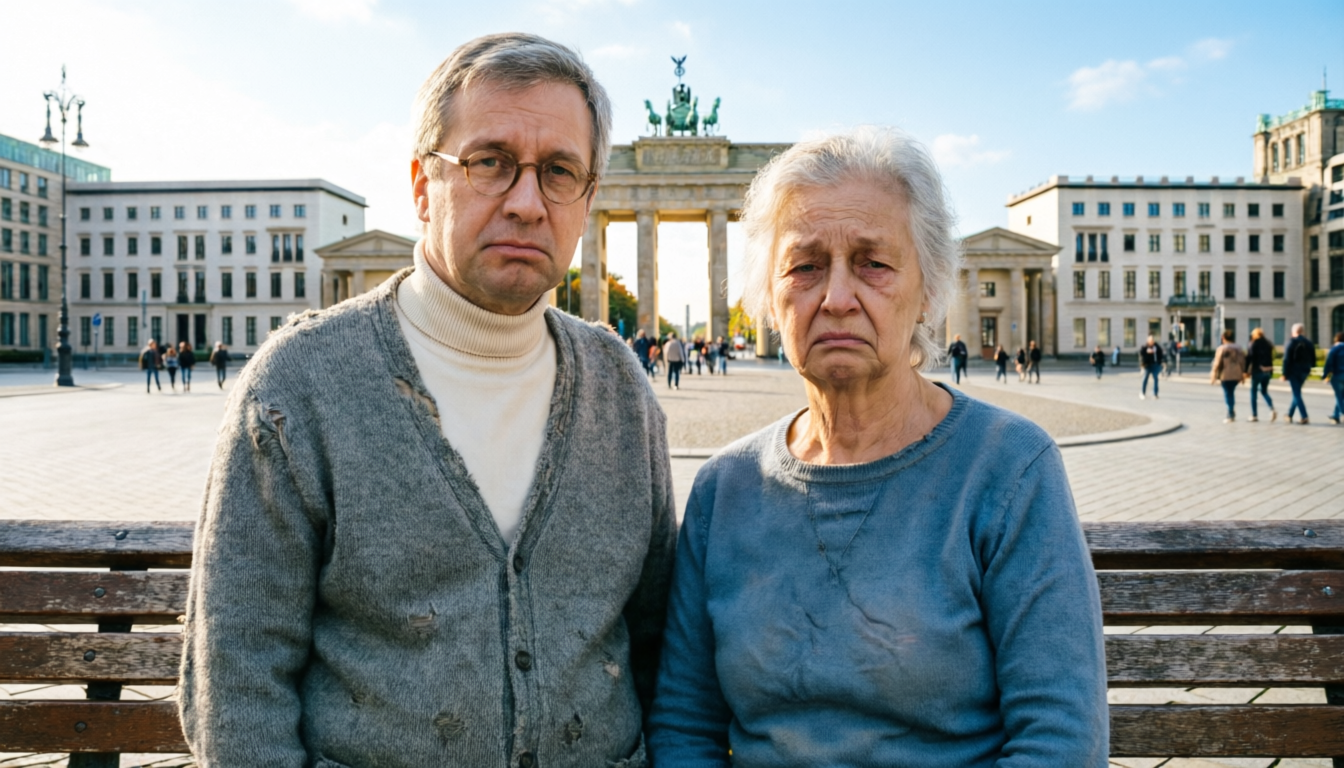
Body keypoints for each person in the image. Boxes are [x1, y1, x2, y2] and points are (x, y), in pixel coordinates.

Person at [180, 33, 675, 768]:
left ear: (588, 199)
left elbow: (654, 640)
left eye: (560, 171)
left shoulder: (620, 388)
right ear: (421, 185)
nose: (528, 202)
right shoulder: (300, 386)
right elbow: (237, 684)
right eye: (490, 164)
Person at [649, 128, 1107, 766]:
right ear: (769, 303)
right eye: (805, 266)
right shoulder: (724, 489)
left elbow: (1059, 738)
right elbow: (682, 725)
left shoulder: (1009, 467)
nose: (836, 298)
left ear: (926, 292)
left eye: (874, 263)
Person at [1210, 329, 1248, 423]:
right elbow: (1242, 361)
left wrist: (1213, 375)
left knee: (1228, 393)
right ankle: (1231, 410)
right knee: (1231, 392)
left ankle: (1230, 412)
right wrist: (1243, 374)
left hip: (1225, 374)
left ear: (1223, 338)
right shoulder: (1238, 348)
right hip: (1236, 374)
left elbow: (1217, 363)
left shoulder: (1221, 348)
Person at [1282, 323, 1316, 424]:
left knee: (1297, 393)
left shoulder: (1291, 342)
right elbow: (1313, 357)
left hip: (1293, 371)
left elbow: (1286, 359)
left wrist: (1284, 373)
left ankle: (1304, 416)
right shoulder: (1308, 342)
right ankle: (1289, 414)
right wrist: (1311, 367)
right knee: (1297, 393)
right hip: (1305, 370)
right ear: (1302, 331)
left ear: (1294, 332)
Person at [1246, 327, 1277, 422]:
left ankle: (1254, 415)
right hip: (1268, 371)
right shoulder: (1268, 343)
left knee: (1253, 393)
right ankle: (1272, 409)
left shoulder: (1253, 344)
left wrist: (1245, 371)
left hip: (1257, 370)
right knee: (1264, 391)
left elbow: (1249, 358)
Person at [1324, 331, 1344, 425]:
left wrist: (1325, 375)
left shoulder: (1334, 349)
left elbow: (1329, 362)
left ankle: (1342, 412)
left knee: (1338, 395)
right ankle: (1336, 416)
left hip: (1337, 375)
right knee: (1341, 395)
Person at [1139, 334, 1164, 400]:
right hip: (1147, 365)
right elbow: (1141, 354)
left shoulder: (1156, 347)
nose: (1151, 342)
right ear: (1148, 341)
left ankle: (1155, 394)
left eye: (1152, 340)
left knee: (1156, 378)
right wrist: (1147, 352)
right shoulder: (1145, 347)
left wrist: (1160, 362)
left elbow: (1160, 353)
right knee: (1145, 379)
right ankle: (1142, 393)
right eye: (1150, 340)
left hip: (1155, 365)